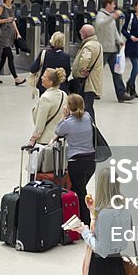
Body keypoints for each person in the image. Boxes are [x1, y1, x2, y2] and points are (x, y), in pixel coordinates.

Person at [55, 94, 96, 225]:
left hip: (76, 163)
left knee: (81, 192)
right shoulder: (88, 117)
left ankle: (87, 221)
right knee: (78, 189)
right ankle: (75, 217)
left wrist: (63, 116)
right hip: (90, 162)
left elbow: (58, 131)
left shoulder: (67, 123)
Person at [28, 68, 68, 171]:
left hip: (46, 141)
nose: (41, 77)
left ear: (50, 82)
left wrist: (33, 138)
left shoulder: (46, 98)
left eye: (44, 77)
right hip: (59, 139)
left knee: (43, 171)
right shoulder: (64, 95)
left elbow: (40, 123)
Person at [94, 0, 130, 102]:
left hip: (112, 49)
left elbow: (114, 31)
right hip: (103, 49)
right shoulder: (100, 15)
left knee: (117, 72)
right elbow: (100, 25)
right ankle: (93, 91)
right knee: (97, 72)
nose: (114, 6)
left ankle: (121, 94)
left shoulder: (111, 17)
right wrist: (112, 17)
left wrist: (119, 40)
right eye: (113, 4)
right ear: (108, 4)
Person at [0, 0, 26, 86]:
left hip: (10, 35)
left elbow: (13, 21)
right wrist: (5, 20)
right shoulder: (1, 8)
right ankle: (16, 78)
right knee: (10, 55)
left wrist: (17, 33)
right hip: (2, 36)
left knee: (4, 57)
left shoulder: (13, 7)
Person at [71, 24, 103, 119]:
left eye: (81, 32)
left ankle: (92, 130)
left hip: (87, 83)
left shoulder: (88, 46)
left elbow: (85, 60)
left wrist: (81, 70)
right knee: (88, 107)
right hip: (94, 82)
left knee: (87, 108)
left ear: (85, 34)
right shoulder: (97, 44)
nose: (80, 33)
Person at [30, 31, 71, 97]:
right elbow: (67, 73)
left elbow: (33, 69)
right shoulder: (66, 57)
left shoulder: (44, 54)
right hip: (60, 88)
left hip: (45, 87)